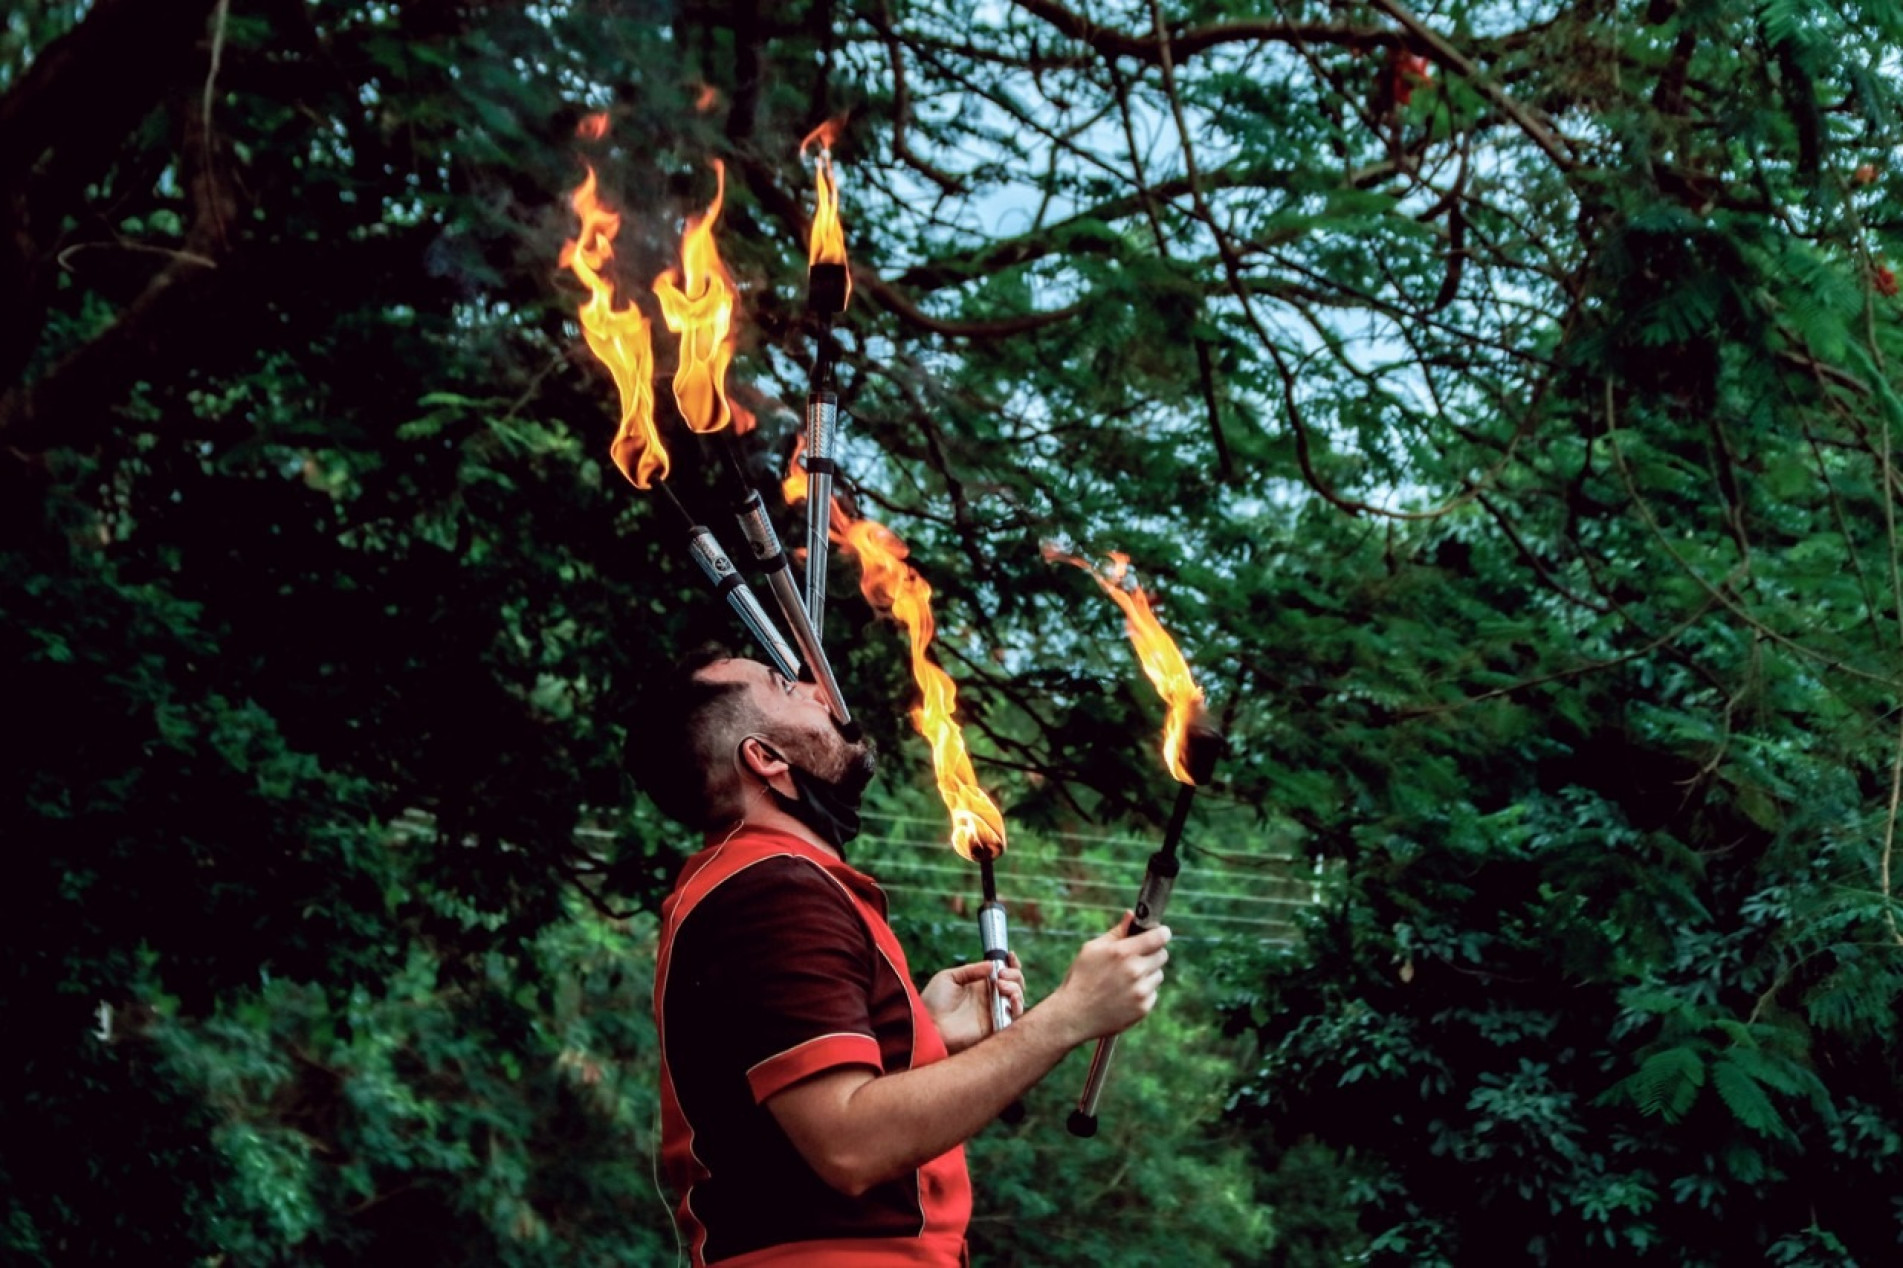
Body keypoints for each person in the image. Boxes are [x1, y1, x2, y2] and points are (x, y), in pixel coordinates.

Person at [632, 645, 1173, 1267]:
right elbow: (850, 1146)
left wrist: (923, 1034)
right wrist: (1070, 1015)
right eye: (787, 686)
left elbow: (806, 1117)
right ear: (766, 758)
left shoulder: (769, 883)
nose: (818, 689)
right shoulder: (772, 889)